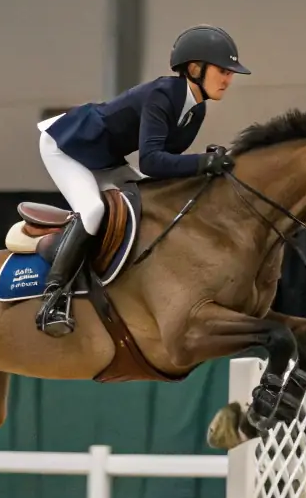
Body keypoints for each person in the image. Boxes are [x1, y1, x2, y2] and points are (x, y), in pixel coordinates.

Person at [32, 24, 251, 337]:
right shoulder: (163, 94)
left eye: (230, 73)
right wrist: (204, 162)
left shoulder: (196, 110)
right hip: (68, 144)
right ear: (194, 68)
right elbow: (151, 160)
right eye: (223, 71)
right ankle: (53, 298)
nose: (228, 79)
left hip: (104, 156)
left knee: (148, 200)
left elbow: (165, 167)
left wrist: (207, 163)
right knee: (92, 210)